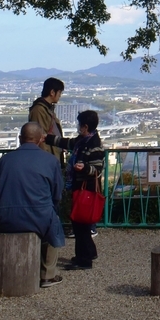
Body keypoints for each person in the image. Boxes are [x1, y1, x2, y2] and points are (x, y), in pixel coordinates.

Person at [0, 122, 66, 288]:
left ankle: (6, 272)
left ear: (20, 139)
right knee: (53, 223)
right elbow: (57, 194)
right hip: (39, 217)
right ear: (40, 140)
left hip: (4, 217)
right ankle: (47, 274)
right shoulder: (50, 161)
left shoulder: (4, 161)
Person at [46, 110, 104, 270]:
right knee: (82, 223)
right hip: (81, 188)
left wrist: (84, 168)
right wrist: (49, 138)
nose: (78, 127)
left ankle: (83, 260)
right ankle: (90, 252)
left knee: (80, 224)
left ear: (85, 126)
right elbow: (67, 143)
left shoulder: (94, 145)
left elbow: (98, 169)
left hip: (86, 190)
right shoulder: (83, 141)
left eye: (80, 125)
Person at [29, 78, 70, 236]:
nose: (60, 96)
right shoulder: (40, 110)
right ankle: (48, 228)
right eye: (59, 92)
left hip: (53, 157)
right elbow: (38, 136)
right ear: (52, 92)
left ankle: (52, 226)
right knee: (49, 195)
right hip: (48, 159)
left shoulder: (47, 109)